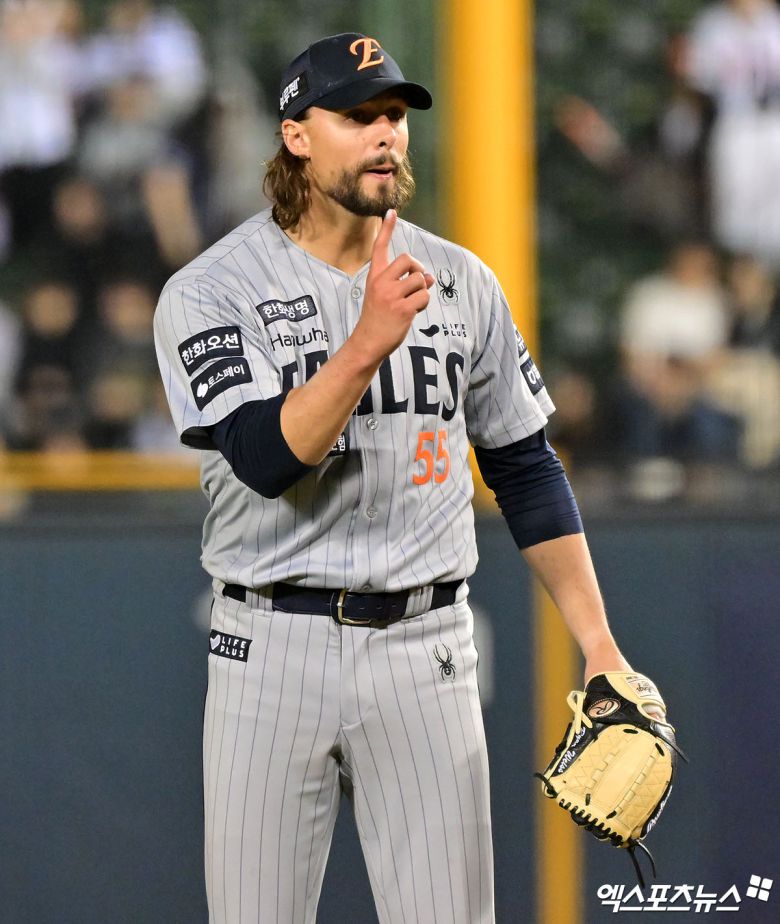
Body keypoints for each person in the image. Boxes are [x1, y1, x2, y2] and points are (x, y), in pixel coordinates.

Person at [154, 33, 635, 924]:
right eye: (357, 116)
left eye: (394, 115)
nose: (385, 134)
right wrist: (368, 339)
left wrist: (599, 643)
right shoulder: (211, 289)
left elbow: (525, 467)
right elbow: (262, 458)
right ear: (297, 135)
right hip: (270, 646)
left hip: (427, 646)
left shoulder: (461, 281)